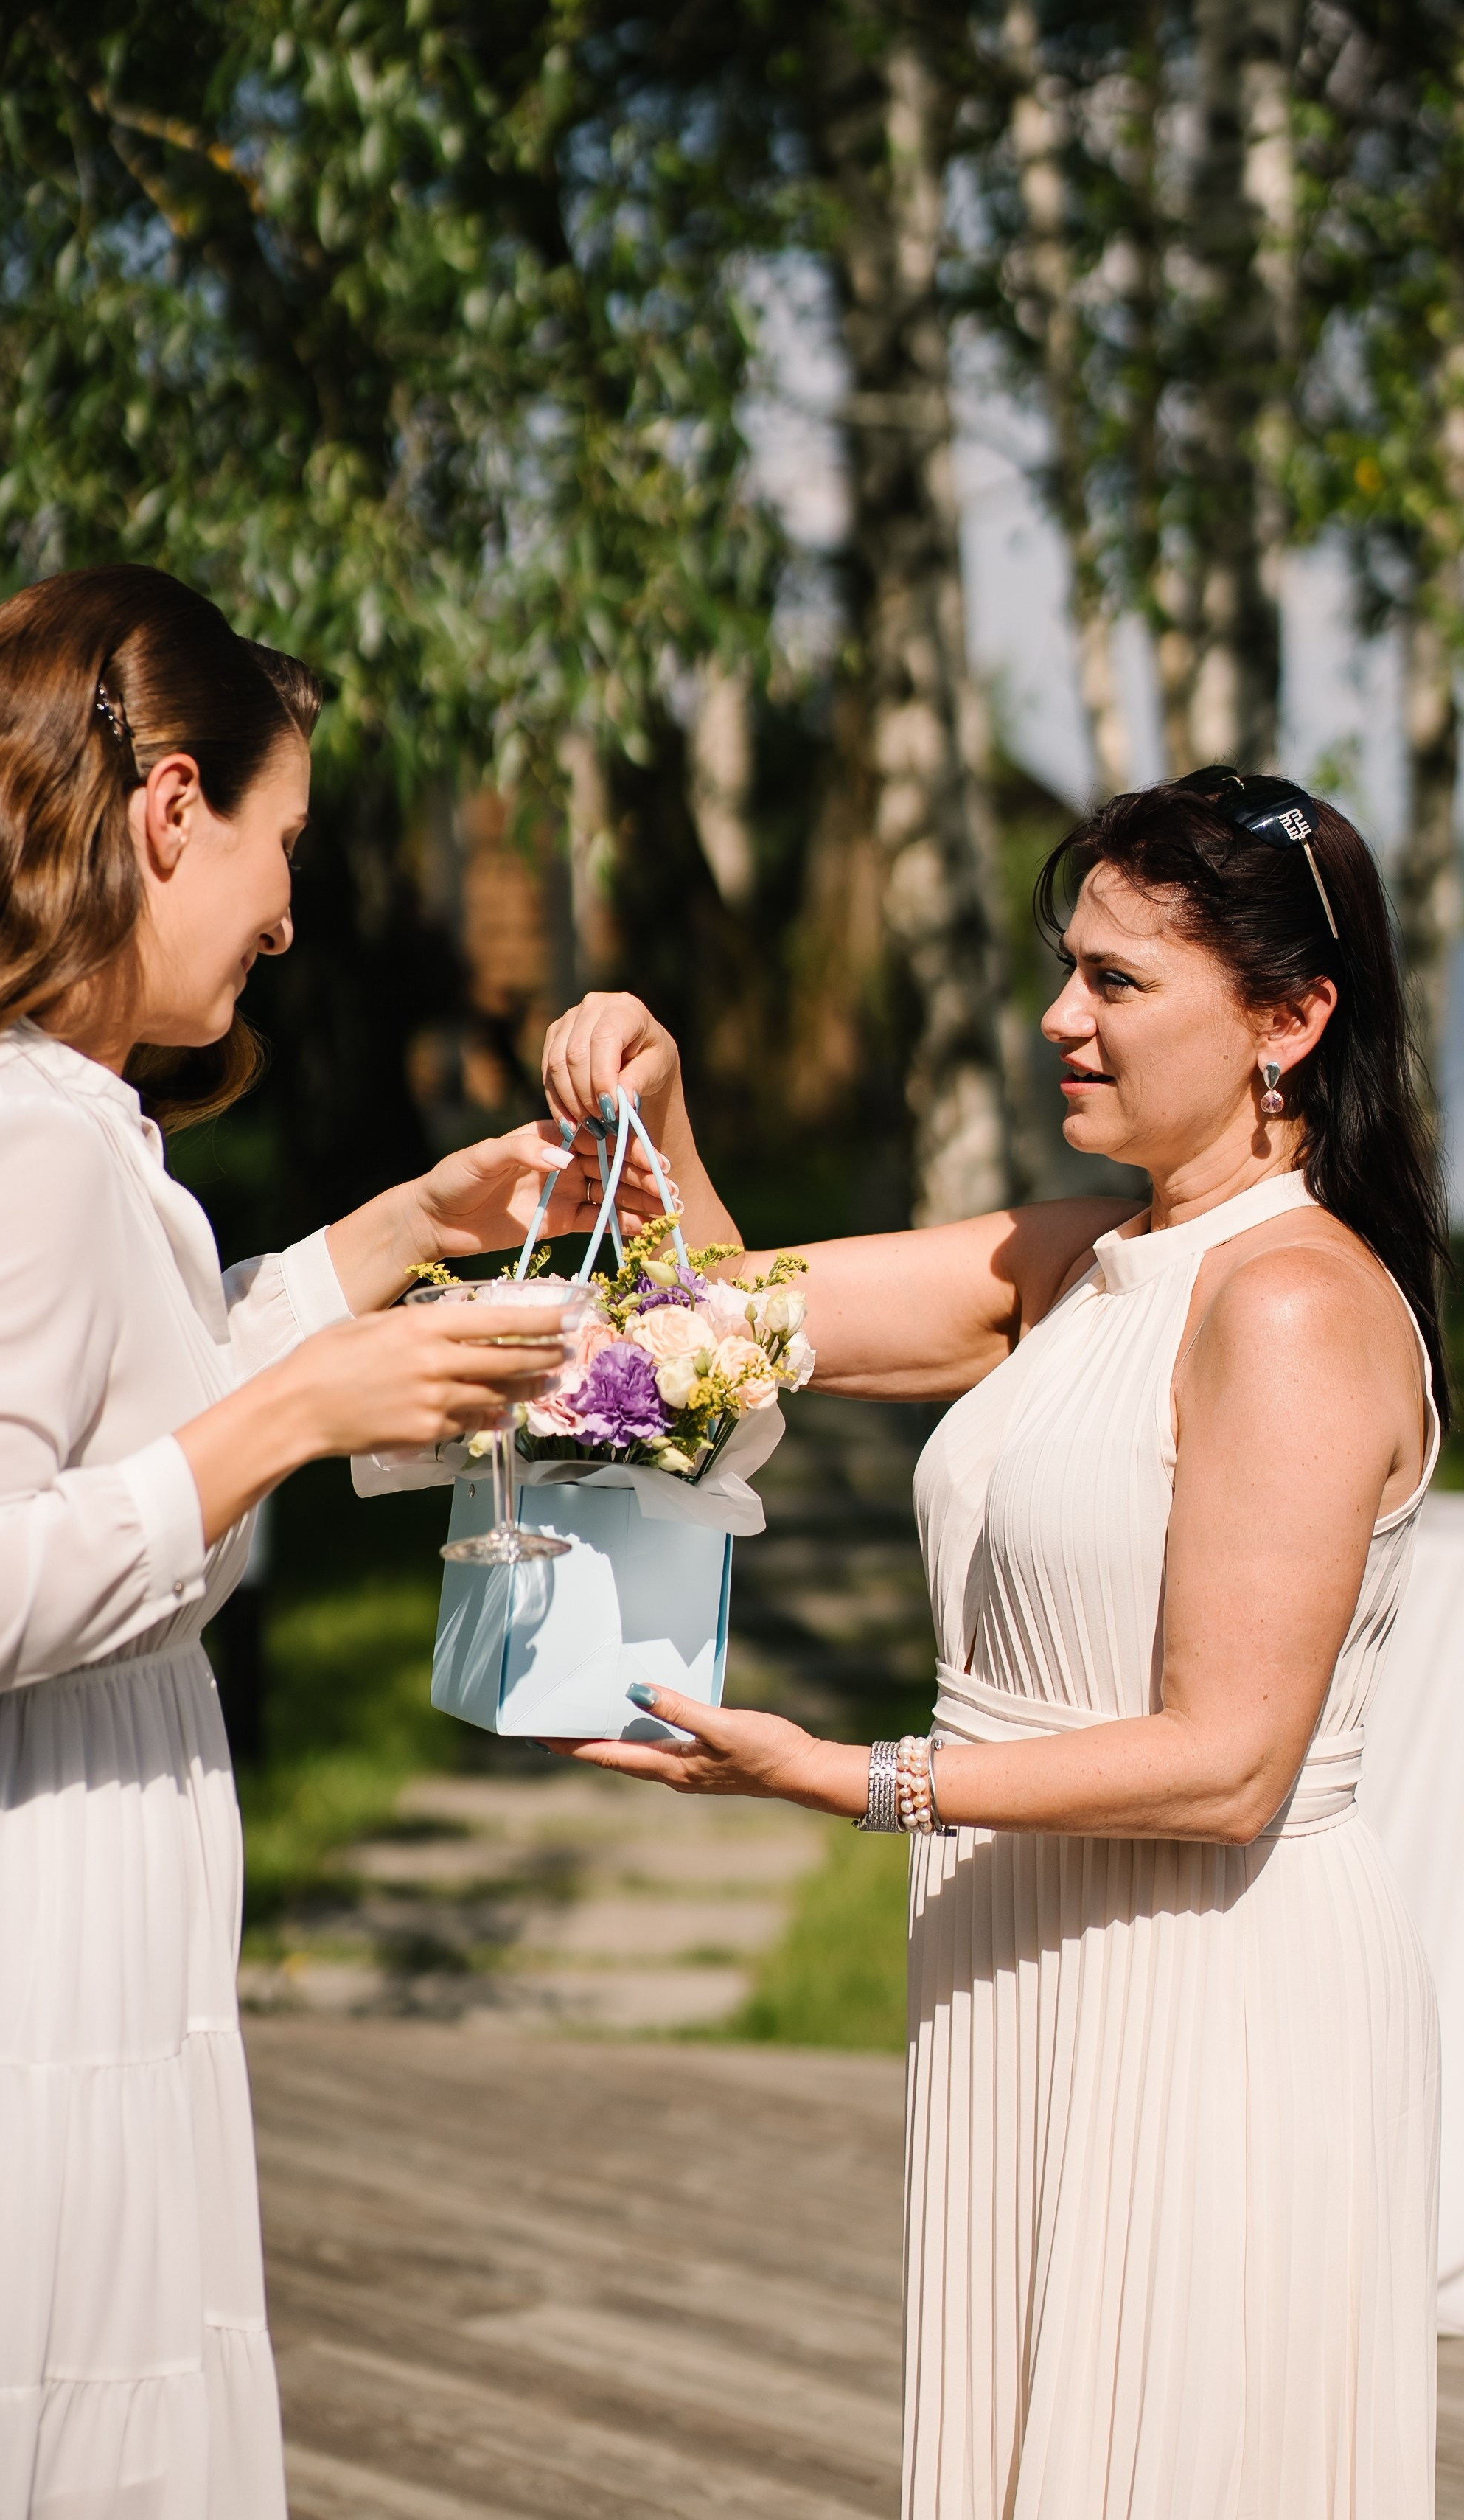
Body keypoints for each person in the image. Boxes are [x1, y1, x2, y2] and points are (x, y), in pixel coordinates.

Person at [0, 565, 638, 2519]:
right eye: (281, 843)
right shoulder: (27, 1143)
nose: (293, 914)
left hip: (37, 1914)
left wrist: (398, 1230)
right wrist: (295, 1415)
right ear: (167, 810)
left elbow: (116, 1425)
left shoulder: (38, 1116)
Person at [540, 771, 1446, 2517]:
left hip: (1206, 1988)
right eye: (1064, 967)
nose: (1058, 1016)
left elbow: (1228, 1760)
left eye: (1114, 980)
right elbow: (725, 1323)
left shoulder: (1293, 1302)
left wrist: (858, 1777)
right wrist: (652, 1114)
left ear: (1291, 1016)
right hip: (1030, 1946)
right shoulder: (1080, 1257)